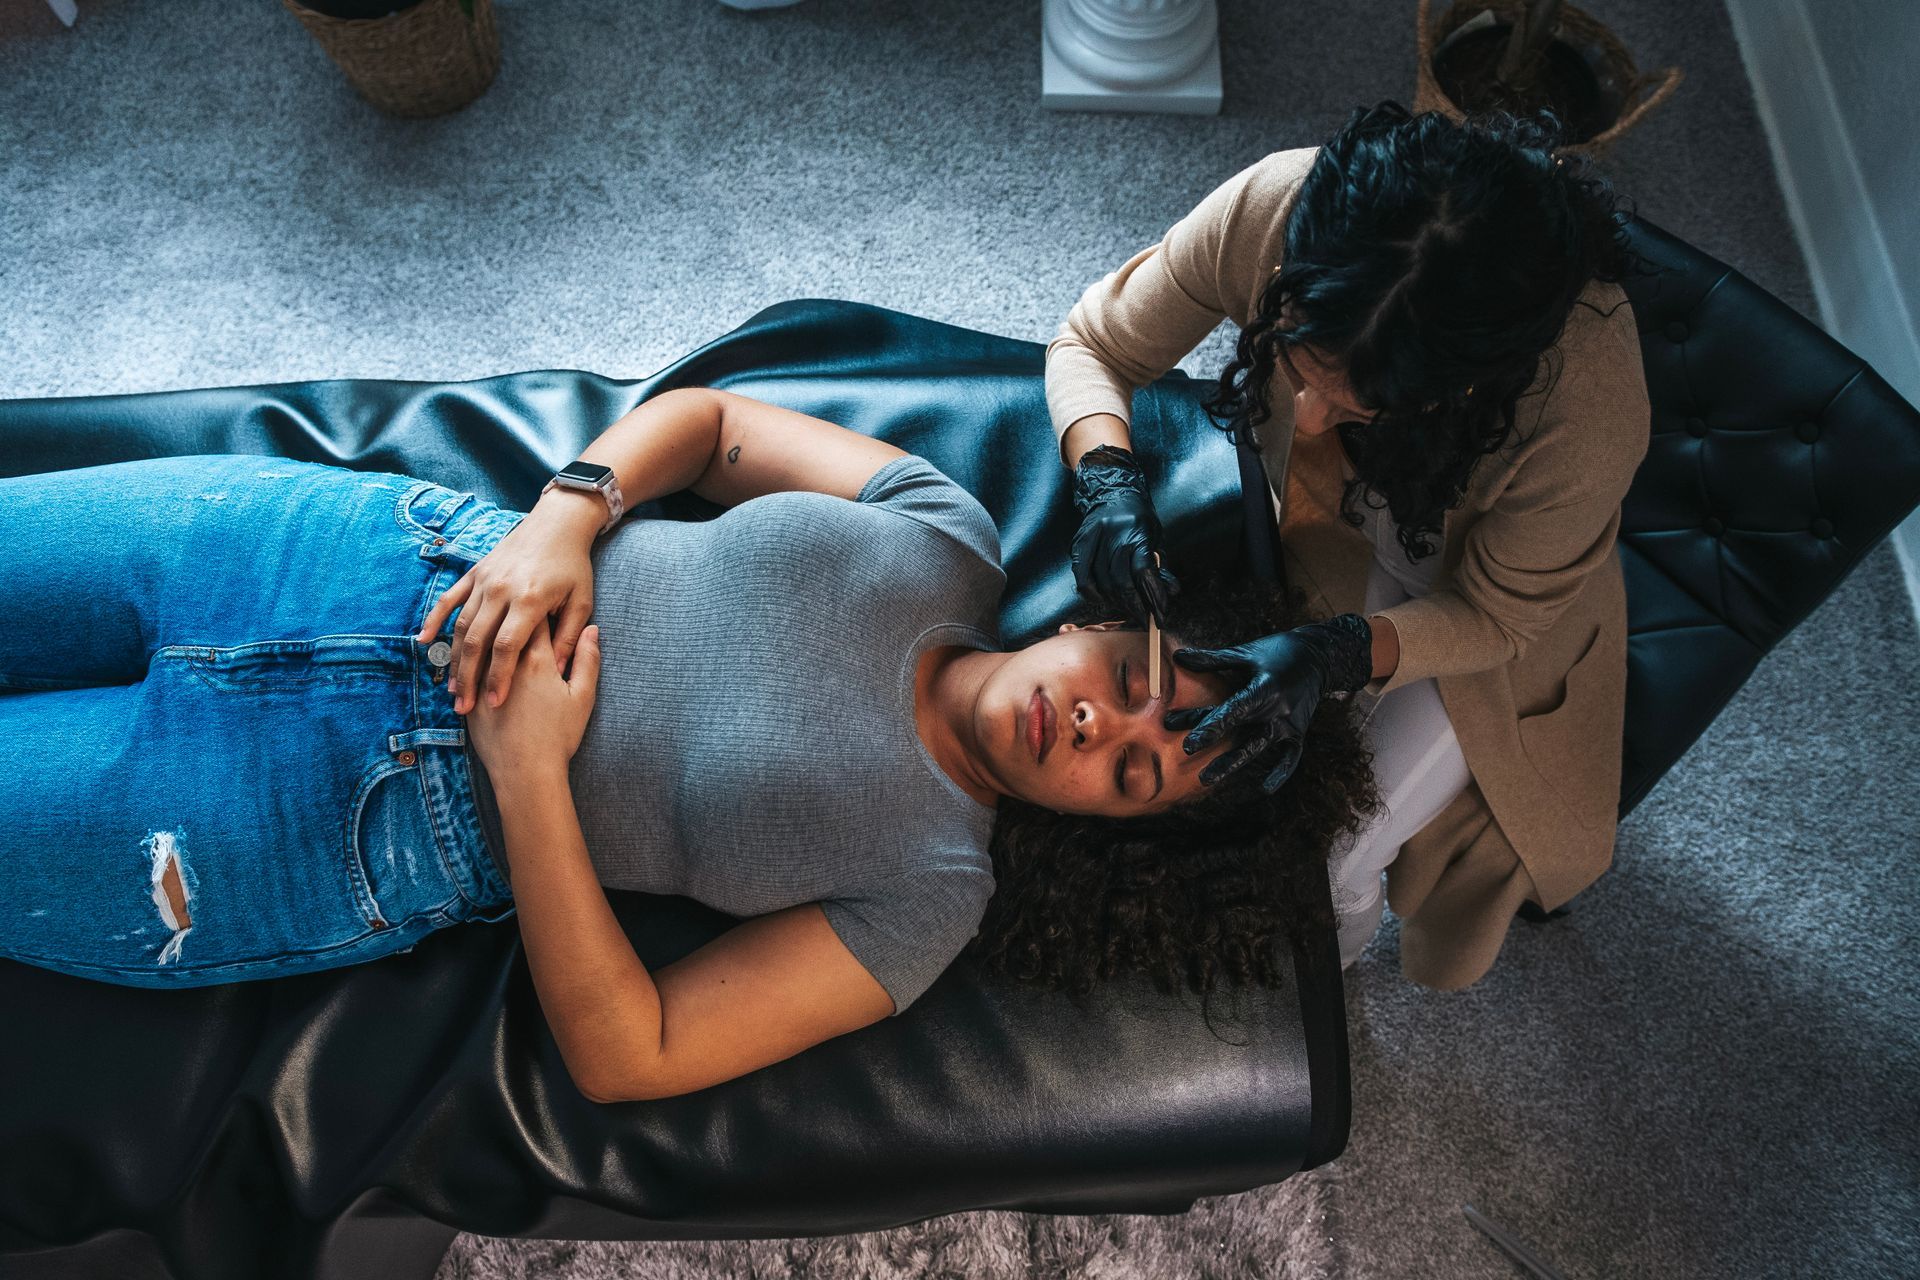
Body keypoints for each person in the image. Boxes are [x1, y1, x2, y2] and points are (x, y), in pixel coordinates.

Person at [0, 386, 1376, 1103]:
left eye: (1130, 770)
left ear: (1110, 830)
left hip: (324, 820)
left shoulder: (930, 901)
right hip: (339, 555)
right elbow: (710, 430)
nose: (1093, 722)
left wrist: (529, 773)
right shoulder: (942, 528)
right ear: (1110, 617)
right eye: (1131, 681)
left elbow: (633, 1052)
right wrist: (566, 516)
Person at [1047, 100, 1655, 988]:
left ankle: (1320, 996)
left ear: (1471, 384)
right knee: (1240, 793)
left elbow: (1494, 618)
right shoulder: (1273, 206)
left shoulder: (1589, 401)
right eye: (1298, 364)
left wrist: (1332, 652)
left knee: (1329, 859)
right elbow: (1095, 342)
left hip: (1487, 629)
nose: (1304, 416)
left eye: (1357, 405)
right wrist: (1106, 473)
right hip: (1330, 536)